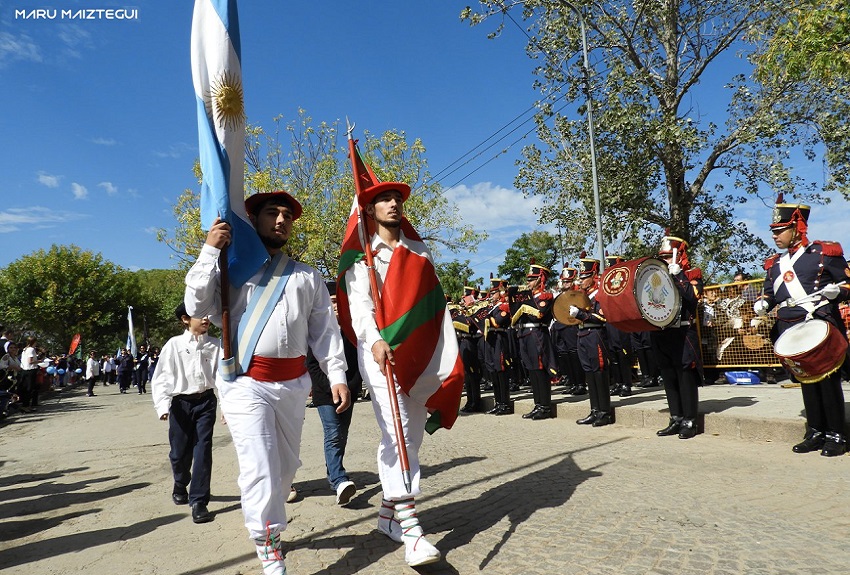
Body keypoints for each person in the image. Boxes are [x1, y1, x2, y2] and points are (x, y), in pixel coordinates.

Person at [185, 190, 349, 575]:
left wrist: (337, 374)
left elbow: (325, 332)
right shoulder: (233, 270)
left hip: (294, 385)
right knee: (259, 466)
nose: (280, 220)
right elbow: (195, 307)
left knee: (285, 469)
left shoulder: (308, 276)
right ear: (253, 221)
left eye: (287, 216)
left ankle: (270, 523)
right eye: (272, 213)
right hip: (245, 384)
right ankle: (269, 546)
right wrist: (210, 251)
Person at [343, 181, 454, 567]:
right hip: (381, 355)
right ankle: (412, 531)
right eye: (384, 199)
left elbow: (432, 304)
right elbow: (360, 310)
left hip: (417, 356)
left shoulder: (418, 251)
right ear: (369, 210)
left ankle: (386, 516)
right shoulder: (362, 258)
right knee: (397, 432)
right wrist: (374, 341)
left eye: (397, 199)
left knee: (412, 432)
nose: (393, 204)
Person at [755, 196, 850, 456]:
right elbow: (768, 293)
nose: (775, 236)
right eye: (773, 231)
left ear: (796, 227)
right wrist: (762, 303)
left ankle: (836, 434)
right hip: (791, 327)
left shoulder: (824, 253)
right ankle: (815, 431)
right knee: (807, 382)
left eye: (780, 230)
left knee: (828, 382)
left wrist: (838, 293)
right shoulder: (774, 264)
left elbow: (847, 285)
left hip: (819, 324)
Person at [151, 303, 220, 524]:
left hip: (206, 403)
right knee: (179, 453)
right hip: (181, 403)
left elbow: (224, 379)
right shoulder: (174, 345)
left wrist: (228, 408)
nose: (206, 319)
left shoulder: (216, 345)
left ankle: (199, 501)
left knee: (203, 450)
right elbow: (161, 377)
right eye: (200, 315)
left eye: (207, 315)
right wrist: (162, 406)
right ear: (185, 319)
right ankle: (180, 481)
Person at [306, 280, 363, 505]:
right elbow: (311, 365)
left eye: (340, 302)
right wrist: (331, 386)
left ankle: (333, 471)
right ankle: (339, 480)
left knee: (342, 435)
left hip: (349, 391)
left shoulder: (353, 331)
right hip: (325, 393)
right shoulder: (317, 332)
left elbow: (359, 363)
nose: (337, 306)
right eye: (332, 302)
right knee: (332, 433)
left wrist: (351, 386)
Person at [650, 235, 704, 440]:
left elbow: (692, 299)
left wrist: (680, 276)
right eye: (662, 257)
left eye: (668, 256)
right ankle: (676, 417)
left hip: (682, 331)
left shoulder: (692, 274)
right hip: (662, 332)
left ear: (679, 255)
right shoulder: (656, 276)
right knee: (669, 376)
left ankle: (690, 420)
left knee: (684, 376)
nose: (664, 260)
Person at [570, 254, 614, 427]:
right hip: (582, 335)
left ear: (593, 276)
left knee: (599, 372)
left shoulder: (600, 295)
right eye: (580, 277)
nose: (581, 281)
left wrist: (580, 314)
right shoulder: (581, 295)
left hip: (595, 334)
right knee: (589, 373)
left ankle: (604, 412)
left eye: (585, 277)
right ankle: (594, 409)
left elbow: (602, 318)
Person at [513, 263, 558, 420]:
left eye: (532, 279)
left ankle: (545, 406)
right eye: (528, 280)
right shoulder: (527, 298)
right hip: (524, 333)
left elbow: (537, 315)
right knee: (532, 370)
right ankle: (537, 404)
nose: (529, 283)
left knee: (540, 369)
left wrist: (523, 306)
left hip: (537, 333)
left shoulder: (545, 296)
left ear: (540, 279)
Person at [484, 277, 515, 415]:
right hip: (491, 339)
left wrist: (485, 317)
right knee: (494, 372)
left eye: (494, 292)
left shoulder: (505, 305)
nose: (491, 295)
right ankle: (498, 402)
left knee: (501, 371)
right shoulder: (493, 307)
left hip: (500, 338)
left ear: (500, 292)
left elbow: (498, 321)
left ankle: (505, 404)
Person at [19, 336, 39, 412]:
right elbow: (30, 361)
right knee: (29, 388)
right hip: (30, 370)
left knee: (28, 388)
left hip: (25, 370)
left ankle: (27, 405)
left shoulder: (25, 349)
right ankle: (25, 405)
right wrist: (39, 361)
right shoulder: (31, 349)